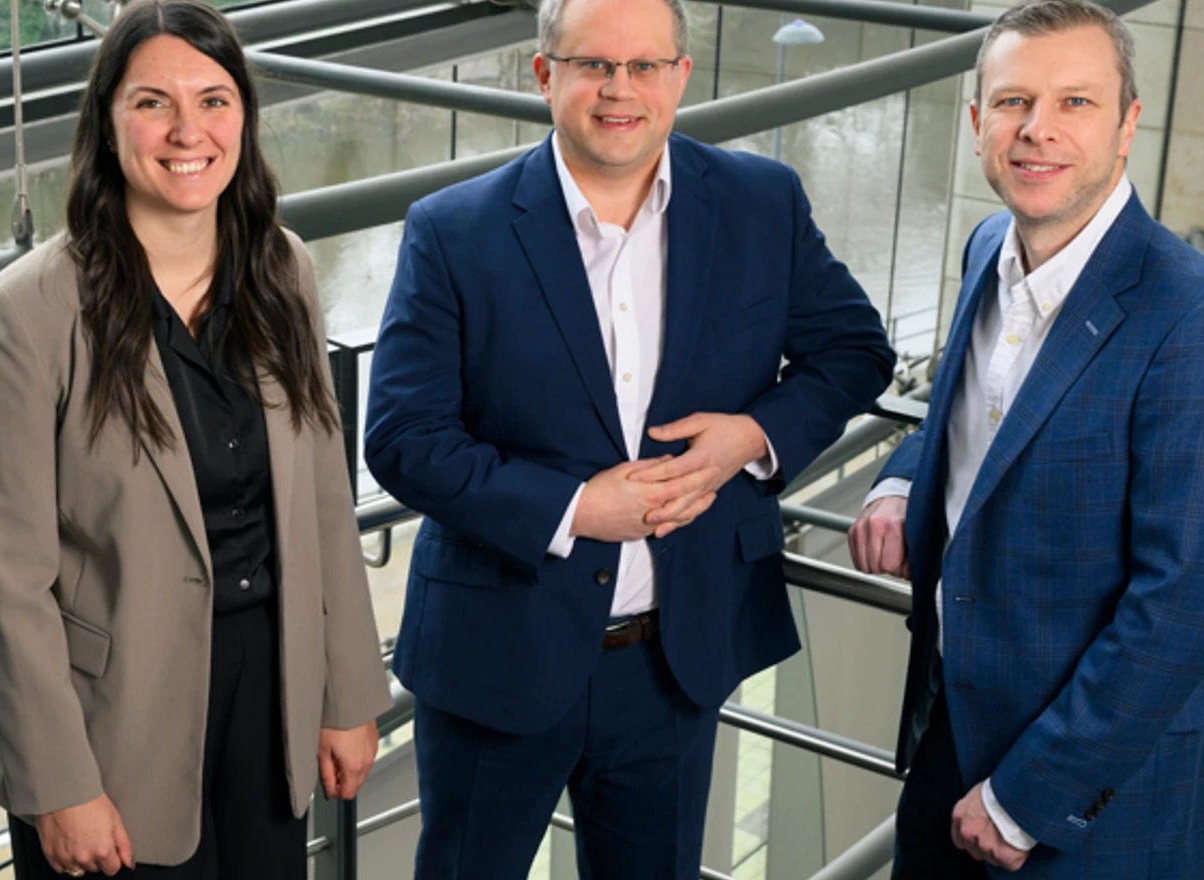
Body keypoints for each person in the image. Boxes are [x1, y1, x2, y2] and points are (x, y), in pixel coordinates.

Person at [362, 0, 895, 874]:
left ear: (681, 77)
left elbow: (854, 349)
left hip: (672, 662)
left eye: (645, 66)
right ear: (546, 76)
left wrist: (750, 437)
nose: (621, 90)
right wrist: (574, 507)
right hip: (498, 659)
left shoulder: (763, 203)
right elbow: (403, 437)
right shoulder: (453, 230)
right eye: (594, 66)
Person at [0, 2, 392, 877]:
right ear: (106, 125)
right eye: (153, 102)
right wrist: (59, 782)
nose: (187, 130)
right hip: (112, 718)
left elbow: (319, 497)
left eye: (214, 99)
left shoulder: (283, 268)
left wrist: (348, 690)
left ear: (244, 118)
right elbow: (12, 584)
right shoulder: (29, 310)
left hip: (268, 693)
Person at [847, 1, 1204, 877]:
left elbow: (1187, 600)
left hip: (1095, 791)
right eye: (1012, 102)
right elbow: (980, 408)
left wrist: (1028, 794)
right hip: (951, 731)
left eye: (1076, 102)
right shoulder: (989, 242)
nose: (1037, 131)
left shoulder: (1196, 320)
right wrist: (902, 478)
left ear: (1127, 125)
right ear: (976, 123)